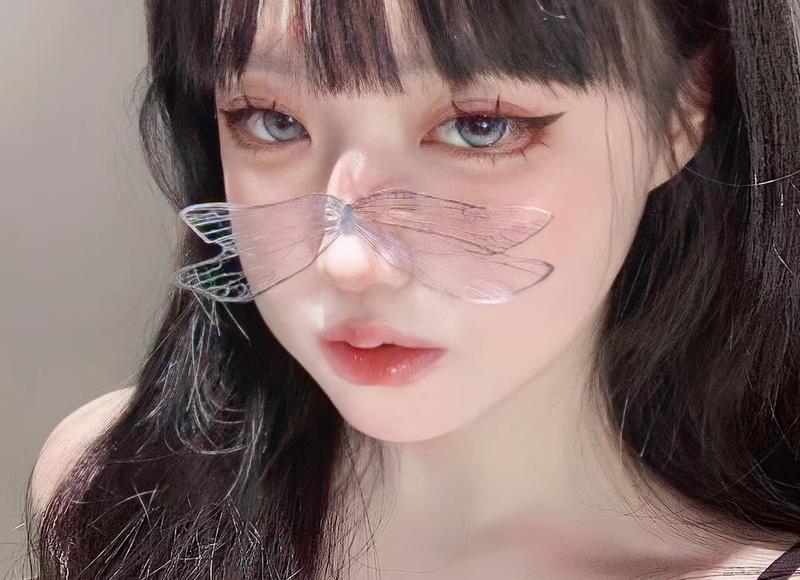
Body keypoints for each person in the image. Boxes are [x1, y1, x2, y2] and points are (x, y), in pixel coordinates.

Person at [24, 1, 800, 578]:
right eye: (270, 120)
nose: (348, 262)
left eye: (481, 126)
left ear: (684, 109)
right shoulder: (108, 495)